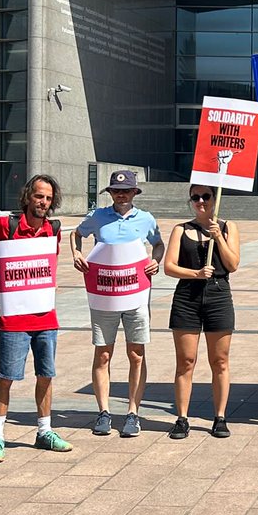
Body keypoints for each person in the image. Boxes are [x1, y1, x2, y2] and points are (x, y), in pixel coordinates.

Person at [0, 174, 72, 463]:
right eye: (39, 196)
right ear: (28, 196)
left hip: (46, 317)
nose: (44, 202)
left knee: (46, 376)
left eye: (49, 198)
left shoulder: (53, 228)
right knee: (6, 378)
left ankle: (45, 432)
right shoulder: (6, 225)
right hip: (14, 319)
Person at [71, 170, 164, 438]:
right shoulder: (98, 217)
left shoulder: (145, 219)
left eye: (125, 190)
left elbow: (158, 244)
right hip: (104, 295)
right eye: (115, 190)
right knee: (103, 354)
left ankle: (133, 412)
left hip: (135, 295)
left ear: (135, 192)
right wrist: (76, 253)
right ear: (110, 193)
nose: (120, 194)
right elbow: (75, 235)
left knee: (136, 354)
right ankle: (103, 412)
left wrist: (155, 259)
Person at [163, 184, 240, 439]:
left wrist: (218, 237)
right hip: (187, 297)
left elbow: (233, 264)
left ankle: (220, 417)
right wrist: (195, 274)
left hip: (218, 294)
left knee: (219, 360)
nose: (200, 201)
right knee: (186, 361)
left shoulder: (228, 228)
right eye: (195, 197)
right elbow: (170, 267)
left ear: (214, 198)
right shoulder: (181, 229)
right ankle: (182, 417)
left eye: (205, 196)